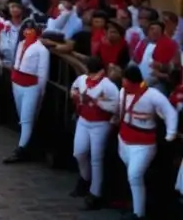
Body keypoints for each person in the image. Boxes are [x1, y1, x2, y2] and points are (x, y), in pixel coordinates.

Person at [117, 64, 178, 220]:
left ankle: (139, 214)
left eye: (124, 79)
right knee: (131, 176)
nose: (122, 82)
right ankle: (134, 206)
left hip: (143, 144)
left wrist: (170, 134)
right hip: (124, 140)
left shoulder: (152, 95)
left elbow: (170, 112)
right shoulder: (122, 92)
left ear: (131, 81)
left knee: (134, 175)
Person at [70, 55, 118, 209]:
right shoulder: (82, 79)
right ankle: (85, 179)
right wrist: (77, 96)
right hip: (83, 121)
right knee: (79, 152)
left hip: (100, 124)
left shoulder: (108, 85)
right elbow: (73, 89)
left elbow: (116, 106)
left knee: (97, 158)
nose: (91, 75)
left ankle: (95, 193)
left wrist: (97, 102)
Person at [5, 19, 49, 163]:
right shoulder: (21, 44)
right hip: (17, 81)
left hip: (31, 85)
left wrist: (41, 91)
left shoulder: (41, 49)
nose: (27, 32)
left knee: (26, 118)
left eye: (30, 30)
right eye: (25, 29)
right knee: (21, 115)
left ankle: (21, 149)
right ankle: (26, 144)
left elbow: (43, 72)